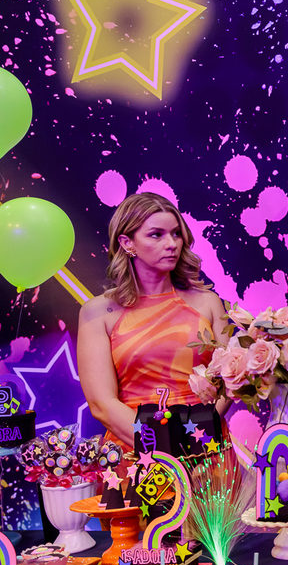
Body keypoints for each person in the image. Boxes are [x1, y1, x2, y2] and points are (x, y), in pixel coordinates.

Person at [78, 192, 230, 450]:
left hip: (205, 448)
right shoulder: (98, 312)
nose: (171, 244)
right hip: (137, 454)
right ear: (127, 243)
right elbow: (102, 404)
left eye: (176, 233)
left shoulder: (209, 303)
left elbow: (230, 381)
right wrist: (160, 448)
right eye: (156, 235)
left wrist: (198, 437)